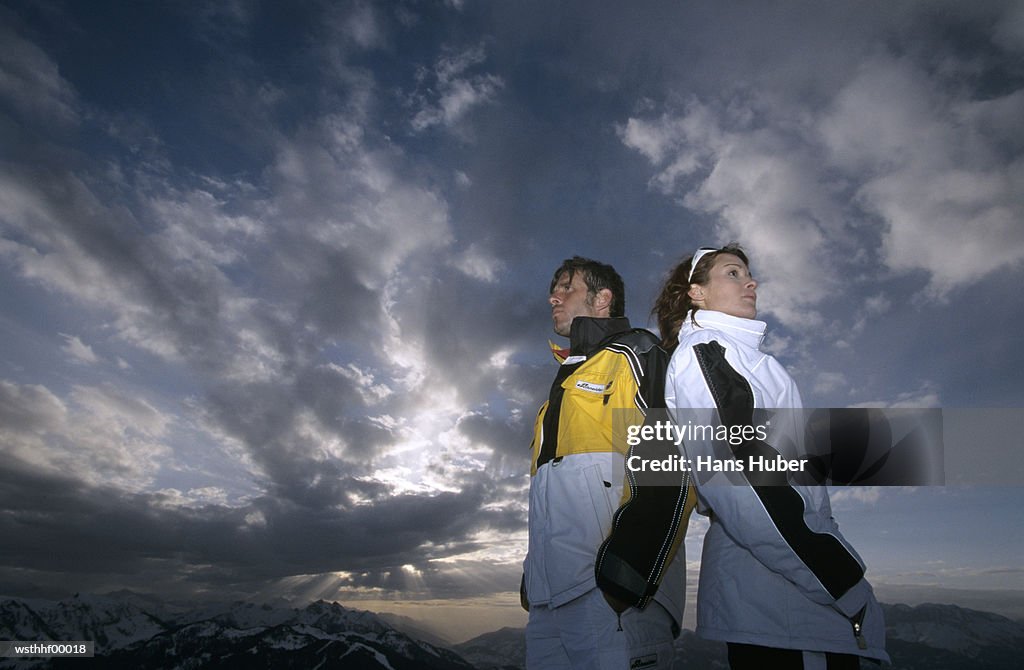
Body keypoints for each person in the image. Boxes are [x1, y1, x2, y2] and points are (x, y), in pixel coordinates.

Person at [655, 244, 889, 669]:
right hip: (787, 606)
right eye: (732, 272)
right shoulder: (707, 352)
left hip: (788, 604)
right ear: (696, 293)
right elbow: (744, 481)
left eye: (748, 273)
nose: (751, 281)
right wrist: (838, 578)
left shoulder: (745, 358)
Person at [522, 256, 695, 670]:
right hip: (550, 604)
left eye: (567, 286)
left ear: (603, 299)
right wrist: (533, 580)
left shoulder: (640, 355)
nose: (553, 297)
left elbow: (671, 467)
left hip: (615, 601)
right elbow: (550, 494)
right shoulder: (559, 388)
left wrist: (625, 578)